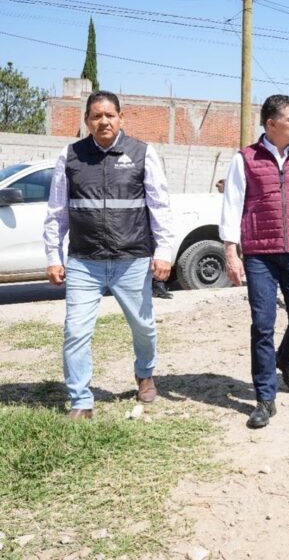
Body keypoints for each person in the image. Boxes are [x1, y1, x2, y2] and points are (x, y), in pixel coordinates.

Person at [43, 90, 174, 419]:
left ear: (121, 118)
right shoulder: (70, 156)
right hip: (84, 262)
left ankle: (144, 373)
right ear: (87, 121)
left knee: (143, 327)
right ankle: (80, 400)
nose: (103, 121)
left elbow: (160, 207)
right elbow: (57, 212)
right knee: (75, 330)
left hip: (132, 258)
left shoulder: (142, 153)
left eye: (109, 115)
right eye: (96, 116)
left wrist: (165, 252)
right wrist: (54, 257)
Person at [220, 94, 289, 429]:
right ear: (271, 124)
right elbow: (232, 206)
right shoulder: (245, 159)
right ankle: (265, 398)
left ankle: (286, 360)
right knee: (263, 324)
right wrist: (231, 250)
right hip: (260, 256)